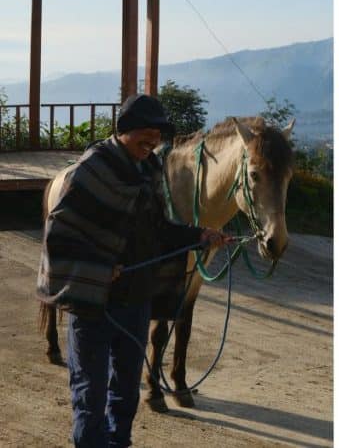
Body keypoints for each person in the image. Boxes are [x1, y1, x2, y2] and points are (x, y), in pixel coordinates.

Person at [37, 94, 230, 447]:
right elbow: (60, 237)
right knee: (90, 396)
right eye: (146, 131)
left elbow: (157, 230)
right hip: (94, 304)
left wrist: (200, 235)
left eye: (158, 133)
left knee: (125, 395)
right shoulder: (90, 172)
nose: (153, 139)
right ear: (124, 129)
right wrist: (99, 267)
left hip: (136, 302)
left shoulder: (148, 171)